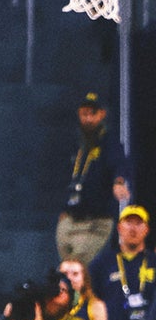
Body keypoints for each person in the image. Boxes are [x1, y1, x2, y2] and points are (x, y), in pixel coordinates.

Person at [58, 92, 131, 266]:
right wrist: (63, 209)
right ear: (79, 113)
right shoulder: (75, 142)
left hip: (96, 220)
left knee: (78, 264)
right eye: (85, 114)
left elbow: (119, 163)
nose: (88, 119)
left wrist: (119, 182)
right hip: (71, 217)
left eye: (93, 114)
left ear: (102, 114)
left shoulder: (109, 142)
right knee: (67, 268)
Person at [88, 205, 154, 320]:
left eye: (139, 223)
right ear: (119, 227)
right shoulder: (102, 262)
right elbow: (91, 300)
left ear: (147, 229)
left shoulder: (153, 261)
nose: (133, 228)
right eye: (128, 222)